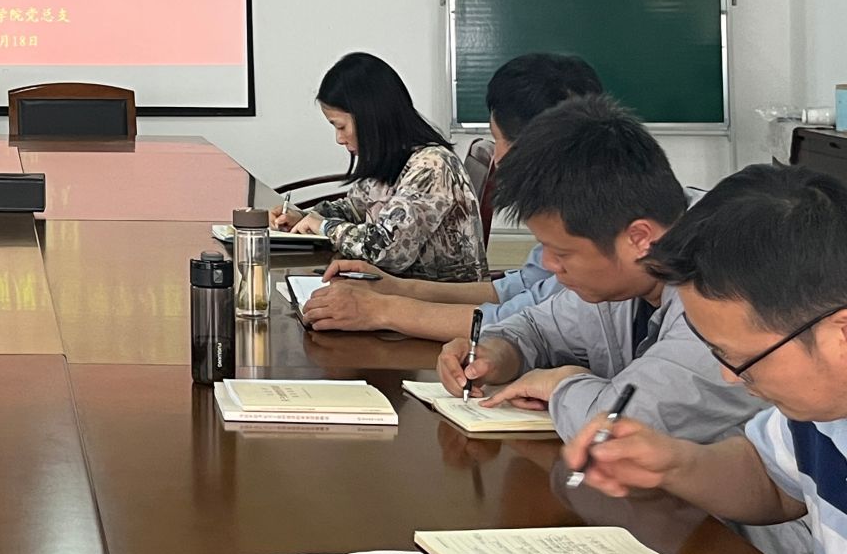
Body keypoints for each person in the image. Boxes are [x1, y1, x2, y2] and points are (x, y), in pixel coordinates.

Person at [539, 165, 847, 554]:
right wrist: (676, 463)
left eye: (743, 358)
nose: (730, 376)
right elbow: (773, 482)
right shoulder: (817, 407)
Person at [436, 95, 761, 444]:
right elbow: (537, 328)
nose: (547, 264)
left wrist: (562, 384)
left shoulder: (723, 289)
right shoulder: (624, 270)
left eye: (562, 252)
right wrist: (497, 352)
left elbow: (625, 426)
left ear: (639, 238)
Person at [302, 53, 601, 336]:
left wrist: (382, 309)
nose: (497, 159)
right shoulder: (569, 220)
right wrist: (392, 288)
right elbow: (516, 290)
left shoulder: (596, 228)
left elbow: (523, 320)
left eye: (500, 141)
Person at [272, 52, 485, 281]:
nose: (339, 139)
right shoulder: (392, 158)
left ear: (370, 118)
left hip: (434, 297)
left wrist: (324, 227)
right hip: (397, 287)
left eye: (341, 127)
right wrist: (303, 217)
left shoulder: (432, 166)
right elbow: (354, 208)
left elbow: (388, 251)